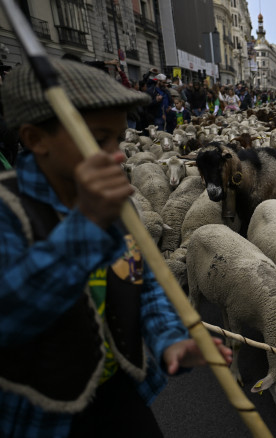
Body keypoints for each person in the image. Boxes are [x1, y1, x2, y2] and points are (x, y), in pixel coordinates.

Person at [0, 58, 232, 437]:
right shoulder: (9, 211)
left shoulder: (116, 206)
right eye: (98, 139)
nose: (119, 154)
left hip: (117, 392)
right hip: (41, 416)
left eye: (119, 139)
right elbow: (11, 317)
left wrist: (169, 340)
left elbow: (141, 285)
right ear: (35, 139)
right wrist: (84, 226)